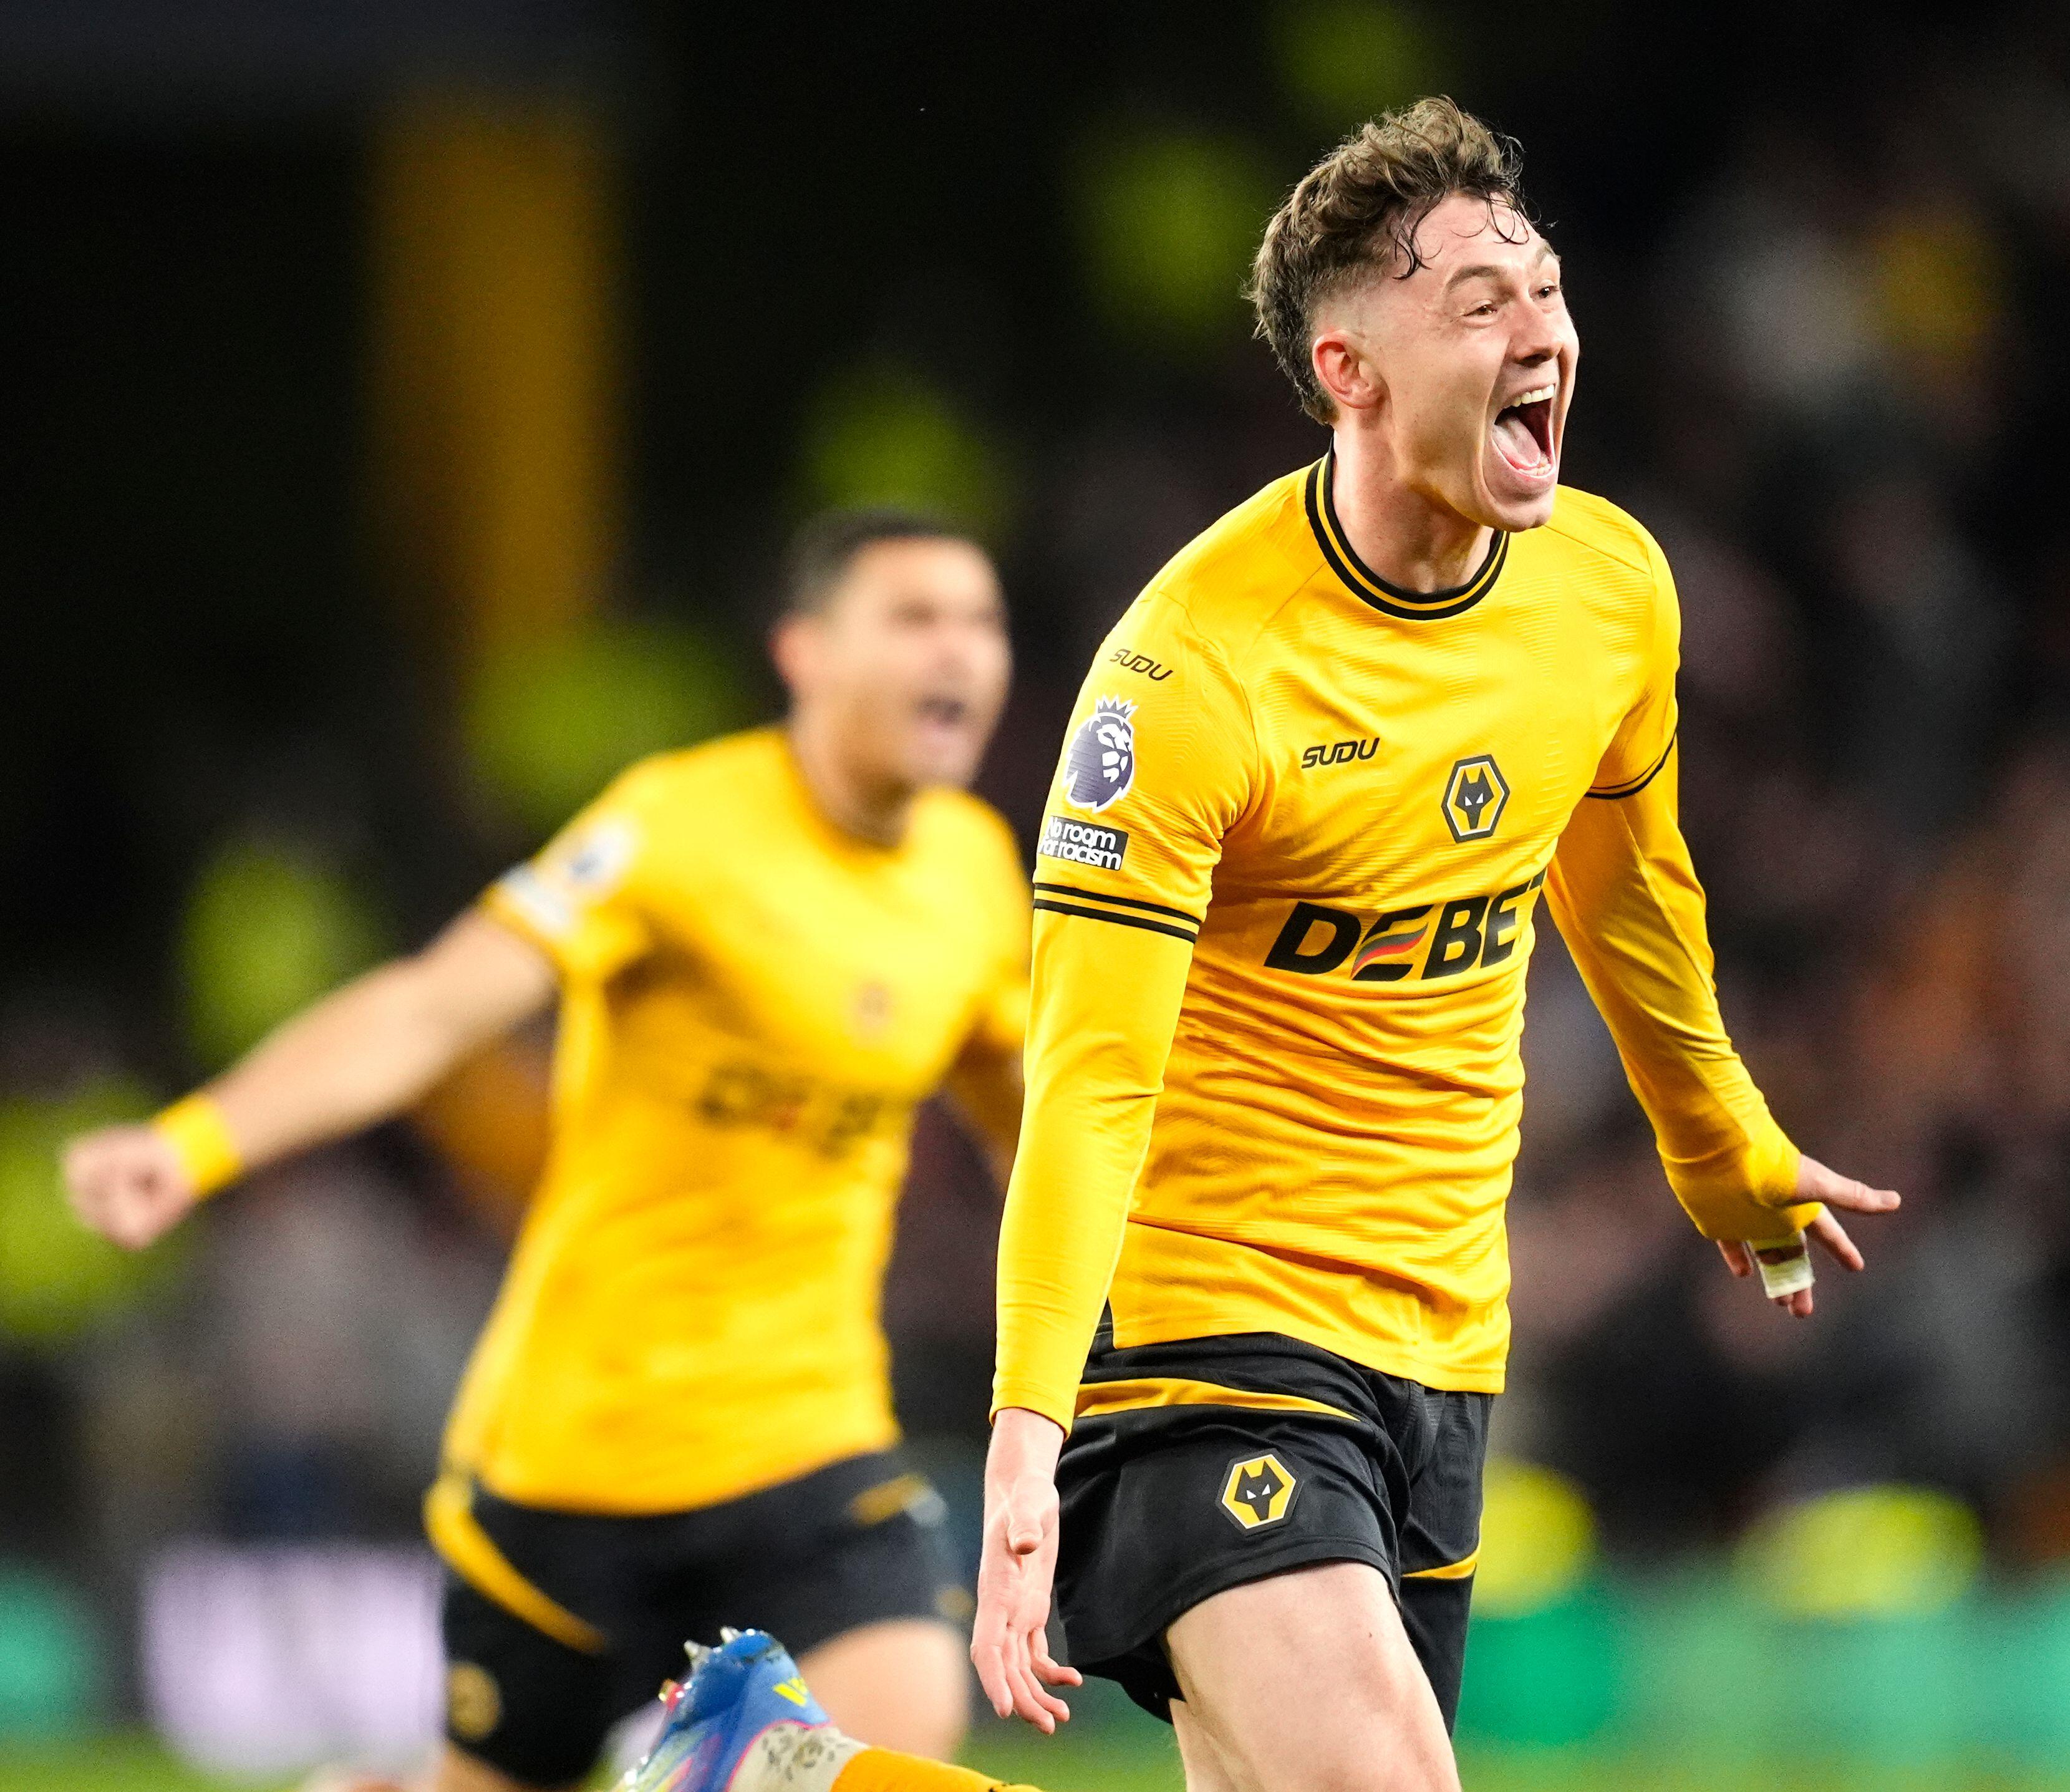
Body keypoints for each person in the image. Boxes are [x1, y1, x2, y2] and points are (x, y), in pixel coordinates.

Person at [965, 97, 1903, 1792]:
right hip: (1204, 1346)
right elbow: (1089, 1077)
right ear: (1352, 374)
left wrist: (1721, 1153)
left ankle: (785, 1775)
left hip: (1442, 1349)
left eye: (1540, 290)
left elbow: (1628, 899)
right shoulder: (1189, 675)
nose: (1539, 329)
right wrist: (1025, 1431)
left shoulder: (1608, 593)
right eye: (1480, 306)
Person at [62, 513, 1025, 1792]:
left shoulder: (976, 872)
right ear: (804, 651)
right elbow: (432, 1008)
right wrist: (197, 1143)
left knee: (878, 1768)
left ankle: (713, 1763)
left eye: (981, 621)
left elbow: (1034, 1118)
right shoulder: (678, 830)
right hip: (580, 1465)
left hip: (815, 1446)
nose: (957, 650)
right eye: (913, 618)